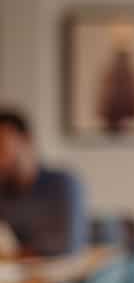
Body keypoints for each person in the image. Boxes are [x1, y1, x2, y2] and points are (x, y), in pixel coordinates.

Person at [0, 108, 87, 257]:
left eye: (2, 145)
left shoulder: (63, 184)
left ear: (26, 140)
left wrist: (17, 250)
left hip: (72, 272)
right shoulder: (4, 191)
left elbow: (66, 245)